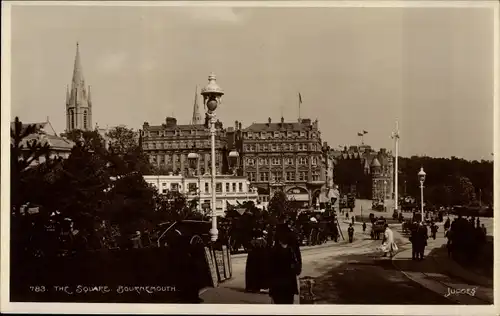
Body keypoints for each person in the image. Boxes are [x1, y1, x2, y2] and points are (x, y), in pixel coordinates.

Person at [269, 224, 302, 304]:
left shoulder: (274, 249)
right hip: (289, 282)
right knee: (289, 303)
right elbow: (298, 263)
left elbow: (269, 268)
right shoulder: (293, 247)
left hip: (277, 284)